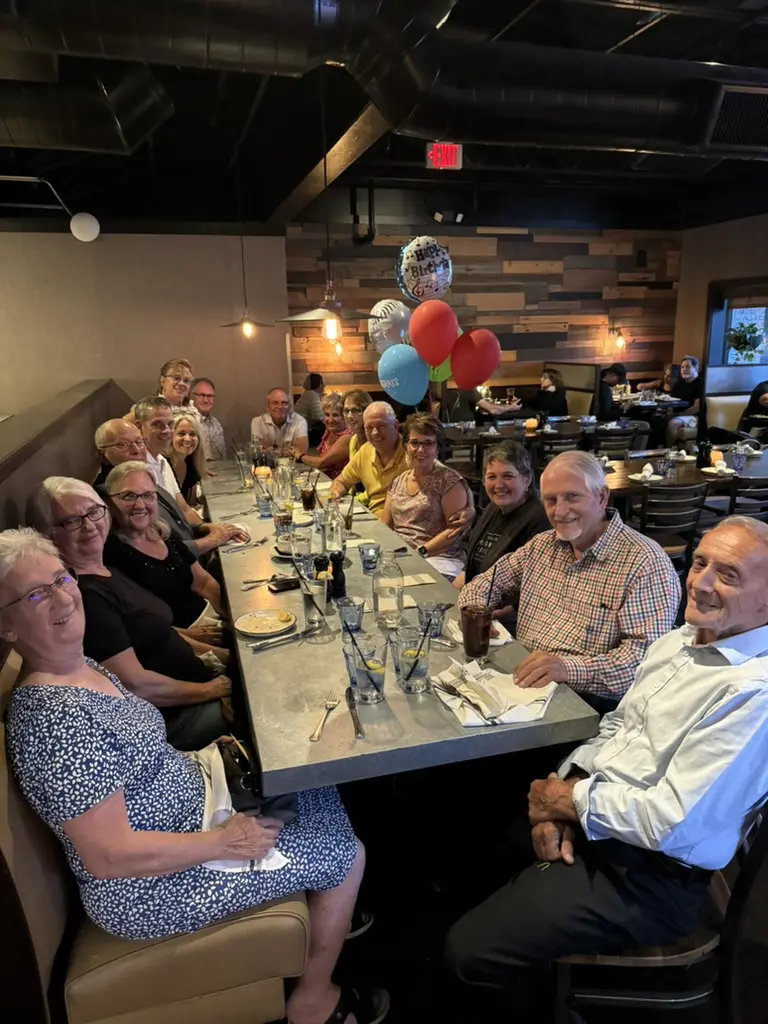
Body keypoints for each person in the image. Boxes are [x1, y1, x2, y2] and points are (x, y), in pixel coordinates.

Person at [1, 530, 385, 1024]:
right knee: (347, 854)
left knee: (311, 781)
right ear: (7, 626)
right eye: (35, 594)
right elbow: (108, 855)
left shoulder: (79, 666)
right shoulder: (56, 722)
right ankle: (313, 1001)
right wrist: (226, 842)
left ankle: (320, 918)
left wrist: (204, 756)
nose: (61, 596)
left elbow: (139, 759)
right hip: (151, 887)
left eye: (60, 579)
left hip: (194, 810)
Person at [447, 515, 768, 1023]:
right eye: (700, 562)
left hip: (654, 875)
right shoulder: (679, 640)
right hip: (607, 816)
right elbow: (618, 726)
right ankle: (538, 964)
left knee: (468, 954)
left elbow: (673, 821)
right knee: (466, 850)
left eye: (727, 575)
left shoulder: (754, 694)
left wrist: (568, 803)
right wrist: (564, 795)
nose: (701, 581)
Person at [458, 451, 681, 711]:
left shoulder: (644, 562)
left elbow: (645, 662)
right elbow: (484, 583)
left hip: (587, 705)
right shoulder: (542, 545)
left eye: (572, 497)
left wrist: (568, 669)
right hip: (523, 682)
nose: (560, 511)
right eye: (550, 500)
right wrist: (475, 614)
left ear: (601, 497)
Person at [30, 479, 232, 749]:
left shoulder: (105, 569)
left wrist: (215, 656)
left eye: (93, 512)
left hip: (197, 684)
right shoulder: (86, 596)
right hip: (177, 720)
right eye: (71, 521)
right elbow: (136, 685)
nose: (90, 526)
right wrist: (213, 689)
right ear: (49, 534)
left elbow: (149, 632)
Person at [93, 418, 242, 558]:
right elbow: (156, 554)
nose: (136, 450)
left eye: (139, 442)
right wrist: (211, 541)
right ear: (102, 455)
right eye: (122, 445)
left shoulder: (142, 477)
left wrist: (209, 528)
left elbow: (180, 523)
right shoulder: (112, 498)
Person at [103, 462, 223, 629]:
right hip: (178, 640)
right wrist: (190, 640)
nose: (140, 505)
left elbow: (203, 582)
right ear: (109, 501)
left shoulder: (163, 532)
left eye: (148, 495)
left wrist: (226, 620)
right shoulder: (110, 554)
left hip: (208, 619)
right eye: (128, 496)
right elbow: (138, 624)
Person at [381, 414, 474, 581]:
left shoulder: (449, 481)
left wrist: (421, 552)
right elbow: (385, 526)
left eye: (428, 443)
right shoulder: (398, 481)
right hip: (402, 557)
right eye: (414, 443)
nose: (420, 450)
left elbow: (455, 531)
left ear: (438, 448)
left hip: (439, 558)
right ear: (406, 446)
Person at [453, 441, 549, 589]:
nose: (498, 485)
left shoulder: (540, 520)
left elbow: (529, 588)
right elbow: (472, 570)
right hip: (476, 597)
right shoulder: (494, 508)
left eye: (508, 476)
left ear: (527, 479)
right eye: (491, 477)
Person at [330, 402, 408, 518]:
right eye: (369, 428)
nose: (375, 433)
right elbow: (342, 481)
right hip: (373, 520)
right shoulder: (366, 451)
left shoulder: (412, 454)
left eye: (381, 426)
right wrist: (335, 493)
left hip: (401, 523)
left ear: (395, 426)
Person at [297, 392, 351, 479]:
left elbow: (321, 462)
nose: (330, 420)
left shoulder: (347, 436)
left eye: (335, 415)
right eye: (327, 414)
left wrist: (299, 455)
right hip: (324, 479)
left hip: (340, 484)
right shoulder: (329, 431)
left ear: (344, 416)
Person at [251, 387, 308, 457]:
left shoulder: (300, 421)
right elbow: (257, 451)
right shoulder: (257, 422)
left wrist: (270, 451)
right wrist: (288, 451)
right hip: (266, 466)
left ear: (290, 407)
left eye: (284, 403)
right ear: (268, 407)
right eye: (275, 403)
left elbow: (301, 451)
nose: (280, 407)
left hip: (293, 466)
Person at [166, 412, 206, 505]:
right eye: (181, 433)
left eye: (192, 434)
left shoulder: (191, 463)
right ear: (171, 436)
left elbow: (191, 504)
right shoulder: (163, 464)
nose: (187, 439)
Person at [667, 354, 704, 445]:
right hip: (679, 414)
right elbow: (671, 402)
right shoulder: (678, 385)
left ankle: (669, 451)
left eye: (688, 367)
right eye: (682, 367)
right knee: (657, 419)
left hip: (694, 417)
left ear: (696, 368)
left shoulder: (700, 384)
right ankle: (657, 448)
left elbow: (696, 408)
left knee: (673, 423)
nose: (684, 369)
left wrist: (677, 414)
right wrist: (668, 412)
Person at [189, 376, 226, 460]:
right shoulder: (187, 422)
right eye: (201, 395)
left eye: (210, 396)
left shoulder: (216, 423)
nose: (206, 400)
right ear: (191, 396)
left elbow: (222, 456)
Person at [293, 373, 326, 448]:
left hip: (300, 429)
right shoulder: (312, 395)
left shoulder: (308, 394)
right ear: (319, 384)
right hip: (305, 432)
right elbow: (318, 416)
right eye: (322, 382)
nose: (324, 385)